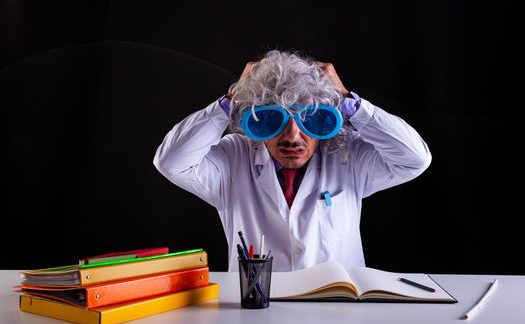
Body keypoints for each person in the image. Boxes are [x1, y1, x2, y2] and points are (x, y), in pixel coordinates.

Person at [153, 50, 431, 272]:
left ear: (326, 119)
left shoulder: (348, 158)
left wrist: (348, 101)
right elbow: (171, 162)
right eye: (275, 118)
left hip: (339, 318)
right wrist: (230, 100)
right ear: (256, 119)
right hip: (258, 317)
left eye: (309, 118)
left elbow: (415, 158)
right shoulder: (233, 159)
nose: (293, 136)